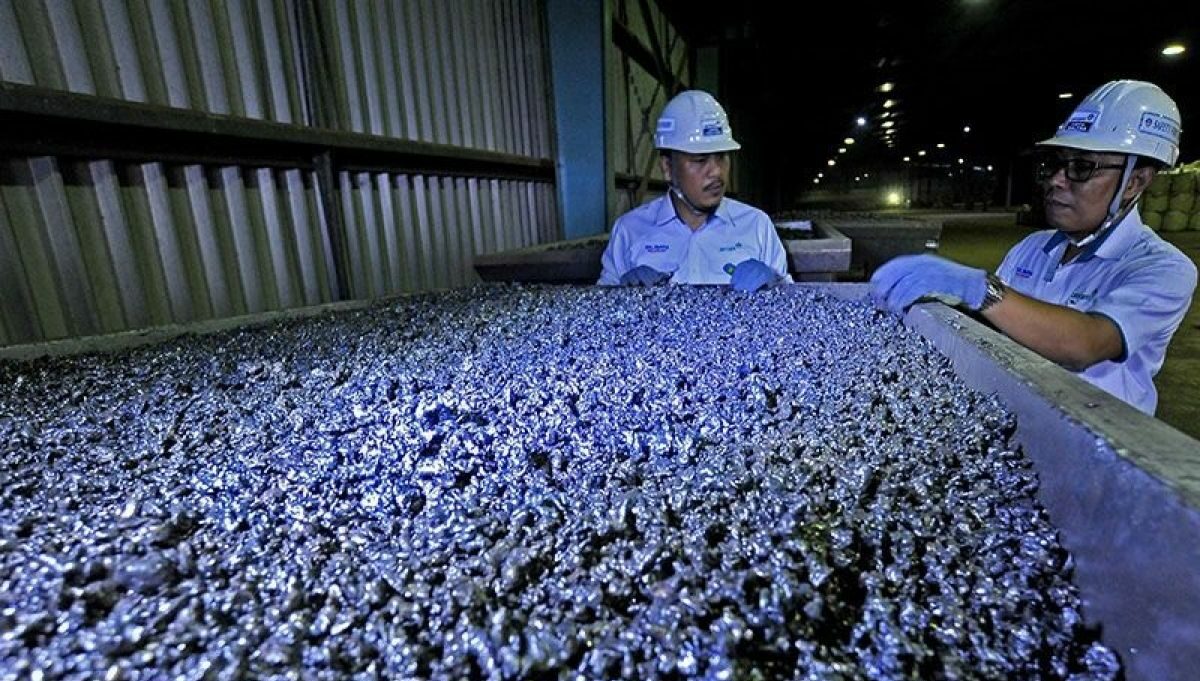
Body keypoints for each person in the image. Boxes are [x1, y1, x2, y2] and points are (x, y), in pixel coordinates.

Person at [870, 80, 1196, 415]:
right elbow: (996, 327)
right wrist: (948, 301)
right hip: (1019, 420)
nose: (1056, 180)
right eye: (1056, 164)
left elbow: (1085, 344)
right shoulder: (1032, 248)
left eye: (1081, 167)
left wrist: (980, 289)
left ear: (1134, 182)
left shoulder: (1163, 268)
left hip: (1101, 440)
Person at [597, 90, 790, 292]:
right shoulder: (629, 231)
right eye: (700, 160)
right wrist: (619, 293)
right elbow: (596, 314)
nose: (716, 171)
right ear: (667, 167)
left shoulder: (757, 226)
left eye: (722, 156)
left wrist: (776, 284)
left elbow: (795, 313)